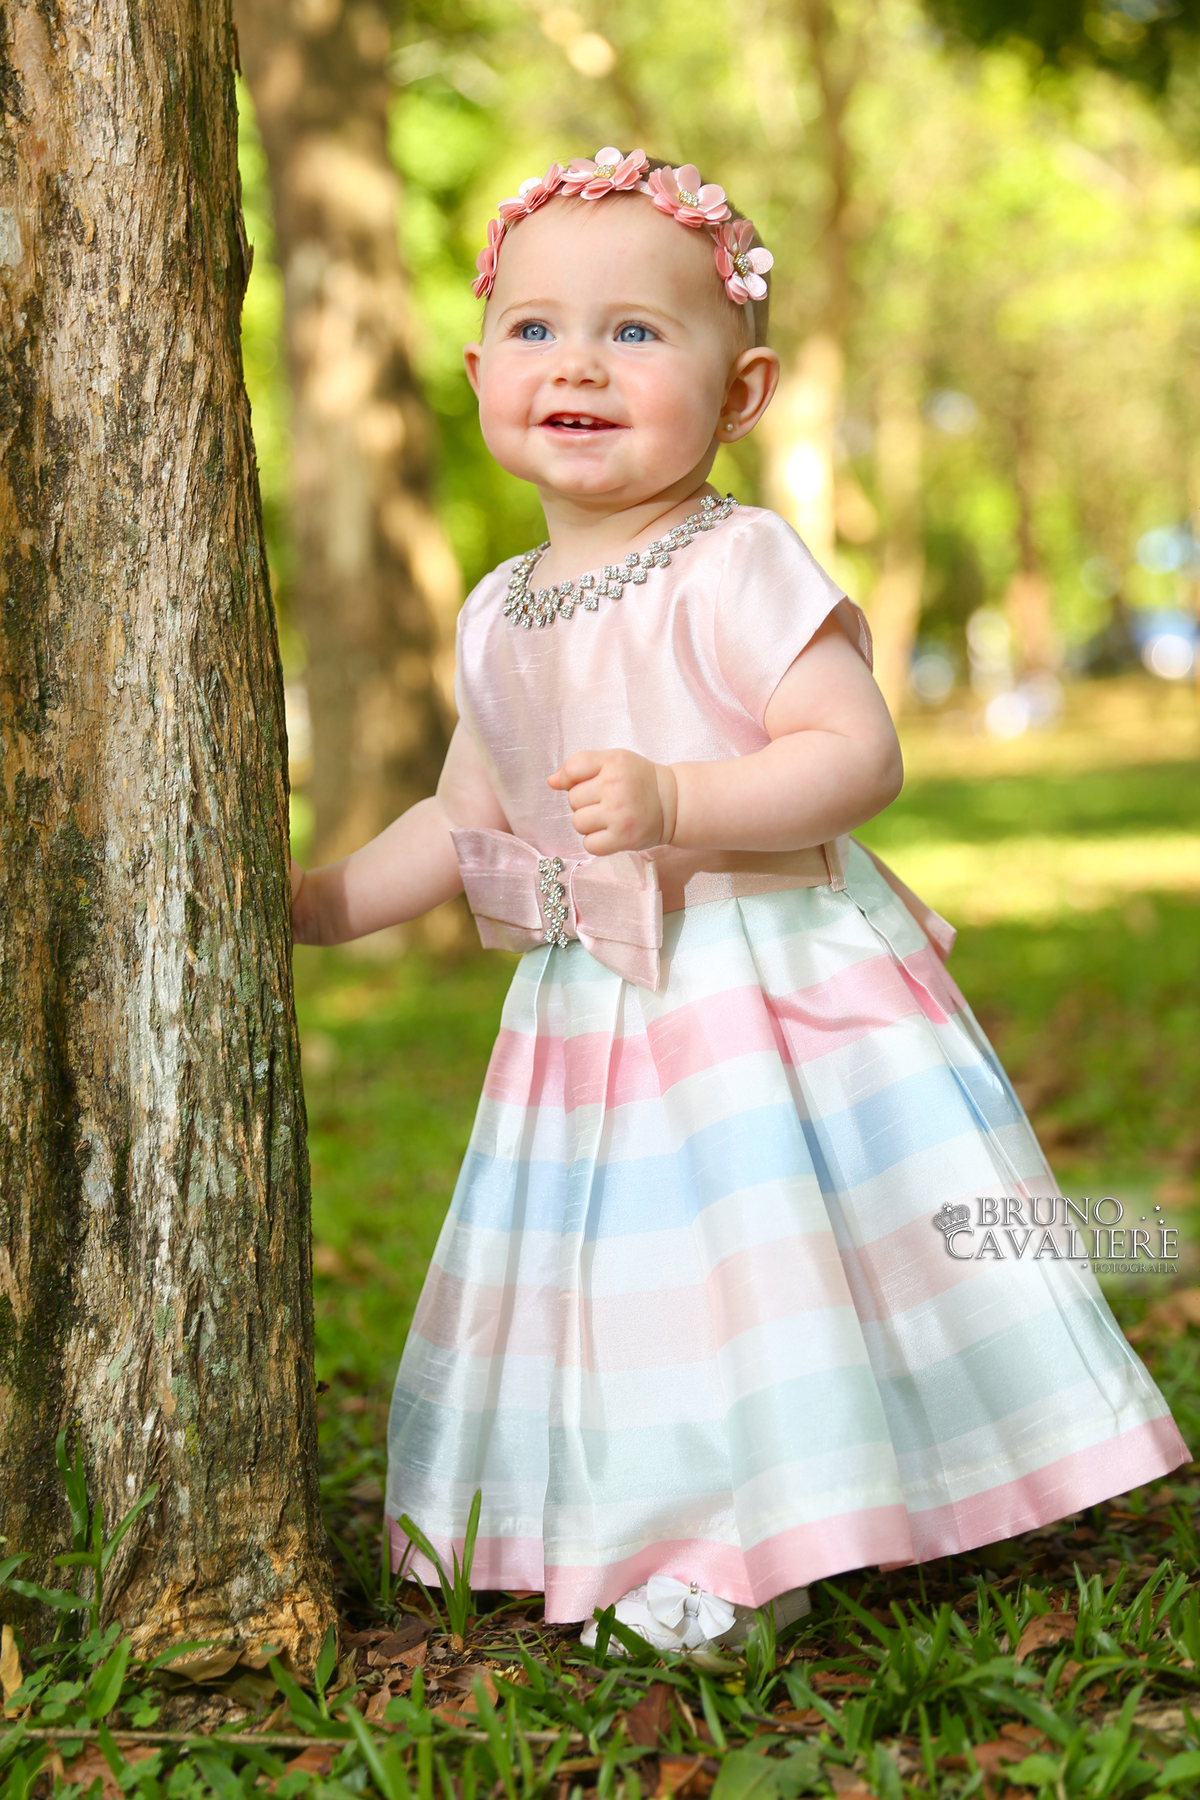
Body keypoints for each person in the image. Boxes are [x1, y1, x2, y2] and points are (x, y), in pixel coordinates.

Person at [291, 149, 1189, 1654]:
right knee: (628, 1281)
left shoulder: (738, 560)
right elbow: (461, 819)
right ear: (475, 367)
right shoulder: (497, 612)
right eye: (536, 329)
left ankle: (757, 1533)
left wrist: (681, 800)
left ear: (743, 390)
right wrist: (319, 903)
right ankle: (628, 1506)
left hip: (762, 984)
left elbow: (855, 754)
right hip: (597, 1009)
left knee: (780, 1259)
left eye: (637, 332)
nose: (577, 360)